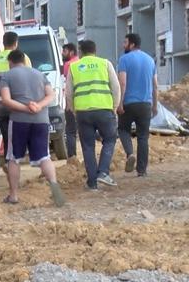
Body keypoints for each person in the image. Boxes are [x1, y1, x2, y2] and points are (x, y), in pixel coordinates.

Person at [0, 49, 65, 207]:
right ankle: (54, 184)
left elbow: (6, 100)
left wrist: (24, 108)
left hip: (19, 121)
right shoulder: (39, 74)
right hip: (41, 120)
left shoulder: (7, 76)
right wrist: (38, 106)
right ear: (24, 60)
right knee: (44, 156)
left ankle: (13, 195)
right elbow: (51, 95)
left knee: (14, 158)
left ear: (10, 62)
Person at [66, 40, 121, 190]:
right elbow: (116, 87)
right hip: (104, 109)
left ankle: (92, 183)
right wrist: (114, 107)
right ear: (95, 50)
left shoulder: (74, 67)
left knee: (88, 146)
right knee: (110, 139)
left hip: (83, 112)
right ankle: (103, 172)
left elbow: (68, 93)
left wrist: (74, 110)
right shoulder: (105, 63)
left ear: (81, 52)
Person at [0, 32, 31, 164]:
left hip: (0, 103)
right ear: (16, 43)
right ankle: (17, 156)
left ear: (3, 43)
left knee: (6, 133)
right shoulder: (23, 58)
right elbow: (29, 79)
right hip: (17, 102)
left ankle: (8, 158)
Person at [117, 34, 158, 177]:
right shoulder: (150, 60)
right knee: (143, 137)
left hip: (129, 103)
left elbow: (122, 83)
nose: (123, 45)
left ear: (132, 44)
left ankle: (130, 154)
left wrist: (119, 103)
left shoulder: (124, 60)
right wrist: (155, 105)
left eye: (125, 42)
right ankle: (142, 170)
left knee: (122, 130)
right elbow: (155, 85)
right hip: (145, 104)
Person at [62, 43, 80, 159]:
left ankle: (72, 156)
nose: (62, 54)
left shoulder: (68, 65)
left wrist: (68, 104)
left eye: (64, 51)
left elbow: (68, 86)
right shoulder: (79, 62)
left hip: (72, 101)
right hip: (83, 101)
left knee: (71, 131)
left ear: (71, 52)